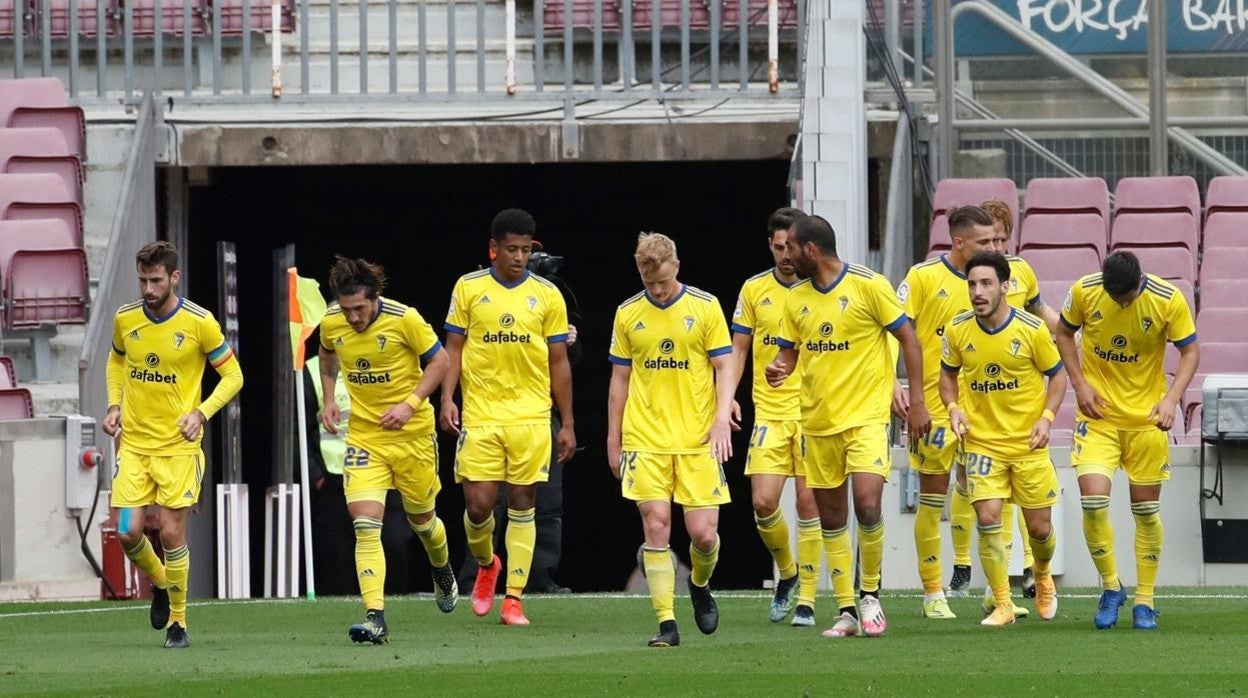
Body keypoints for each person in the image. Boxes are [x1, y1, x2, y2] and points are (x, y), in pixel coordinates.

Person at [766, 215, 931, 639]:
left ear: (811, 250)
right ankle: (846, 610)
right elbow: (789, 353)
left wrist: (917, 403)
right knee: (832, 517)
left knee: (869, 503)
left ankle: (871, 594)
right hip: (818, 422)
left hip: (866, 418)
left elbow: (909, 340)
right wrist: (778, 368)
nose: (785, 257)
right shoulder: (796, 298)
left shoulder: (868, 286)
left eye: (791, 250)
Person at [101, 241, 244, 649]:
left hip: (178, 448)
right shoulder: (126, 318)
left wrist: (201, 412)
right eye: (143, 280)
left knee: (169, 532)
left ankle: (178, 623)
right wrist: (115, 404)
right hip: (135, 446)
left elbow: (233, 376)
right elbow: (116, 360)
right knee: (127, 532)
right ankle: (162, 583)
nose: (147, 288)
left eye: (156, 280)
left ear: (174, 277)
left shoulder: (200, 323)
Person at [441, 208, 576, 627]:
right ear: (493, 249)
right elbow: (454, 349)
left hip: (532, 417)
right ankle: (486, 565)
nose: (519, 257)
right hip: (482, 416)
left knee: (524, 503)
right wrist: (448, 398)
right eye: (511, 249)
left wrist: (567, 422)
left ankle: (513, 600)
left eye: (525, 250)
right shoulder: (468, 288)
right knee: (479, 507)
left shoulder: (547, 295)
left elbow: (559, 362)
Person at [1055, 251, 1199, 630]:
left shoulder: (1168, 300)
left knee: (1146, 512)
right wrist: (1080, 383)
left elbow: (1190, 352)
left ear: (1139, 283)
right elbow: (1064, 332)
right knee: (1093, 501)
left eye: (1127, 298)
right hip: (1098, 418)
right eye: (1115, 297)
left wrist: (1171, 400)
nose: (1120, 303)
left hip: (1147, 421)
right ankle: (1110, 586)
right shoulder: (1084, 292)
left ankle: (1145, 601)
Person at [317, 256, 456, 644]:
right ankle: (375, 615)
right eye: (346, 310)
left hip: (412, 436)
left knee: (423, 523)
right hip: (365, 437)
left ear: (374, 298)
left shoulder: (404, 319)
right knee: (364, 525)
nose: (352, 318)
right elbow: (327, 353)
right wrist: (329, 398)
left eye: (359, 309)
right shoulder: (332, 322)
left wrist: (409, 403)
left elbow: (441, 360)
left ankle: (441, 567)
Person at [608, 232, 736, 648]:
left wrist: (721, 418)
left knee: (703, 534)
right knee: (656, 524)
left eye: (663, 282)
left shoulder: (705, 306)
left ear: (676, 266)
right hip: (645, 438)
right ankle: (666, 622)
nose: (658, 290)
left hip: (697, 438)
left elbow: (725, 365)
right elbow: (620, 379)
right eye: (650, 285)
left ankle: (699, 584)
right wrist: (614, 438)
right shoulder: (628, 314)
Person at [938, 251, 1064, 627]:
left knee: (1040, 529)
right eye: (972, 284)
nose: (977, 291)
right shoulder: (958, 330)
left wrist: (1046, 418)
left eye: (986, 283)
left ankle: (1041, 575)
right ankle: (1003, 604)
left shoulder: (1031, 329)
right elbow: (947, 377)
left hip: (1028, 444)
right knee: (988, 517)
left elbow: (1057, 376)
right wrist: (953, 408)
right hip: (981, 443)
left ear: (1005, 287)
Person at [896, 205, 995, 617]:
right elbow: (893, 333)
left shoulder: (992, 281)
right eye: (984, 242)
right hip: (934, 412)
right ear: (959, 242)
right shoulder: (922, 278)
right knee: (933, 499)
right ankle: (933, 592)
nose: (994, 247)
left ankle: (997, 591)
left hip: (984, 413)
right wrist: (895, 387)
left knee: (990, 500)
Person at [728, 207, 823, 627]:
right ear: (770, 244)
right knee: (764, 502)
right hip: (770, 410)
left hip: (812, 413)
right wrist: (726, 398)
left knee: (808, 502)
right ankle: (787, 570)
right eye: (779, 247)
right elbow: (739, 349)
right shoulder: (753, 290)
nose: (786, 255)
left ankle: (806, 598)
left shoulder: (819, 290)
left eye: (792, 247)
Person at [980, 198, 1062, 605]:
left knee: (1027, 503)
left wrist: (1070, 332)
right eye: (988, 238)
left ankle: (1033, 570)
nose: (995, 246)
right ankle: (998, 586)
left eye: (1000, 238)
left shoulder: (1022, 272)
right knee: (988, 503)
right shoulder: (972, 281)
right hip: (981, 408)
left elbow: (1038, 310)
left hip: (1022, 403)